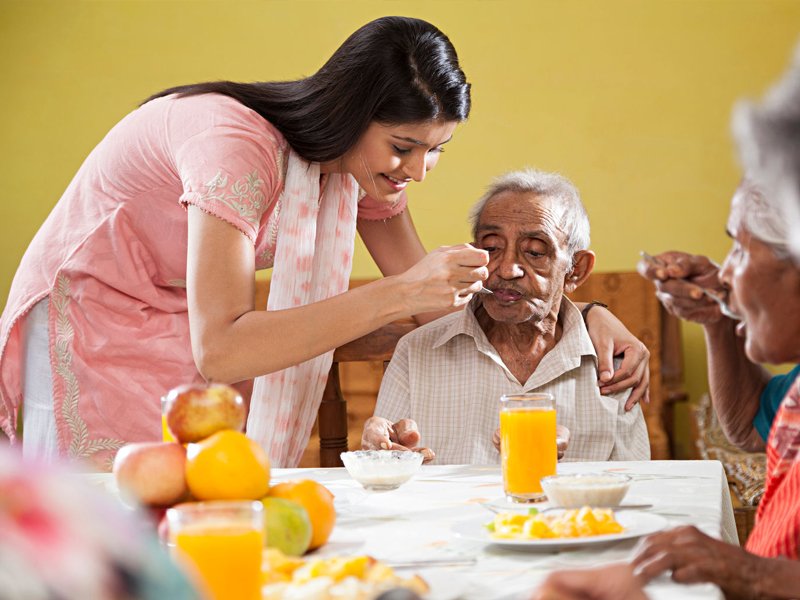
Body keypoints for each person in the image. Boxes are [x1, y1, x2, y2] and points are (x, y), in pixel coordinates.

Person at [0, 16, 649, 470]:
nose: (418, 171)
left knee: (202, 518)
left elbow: (439, 314)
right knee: (118, 531)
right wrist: (397, 294)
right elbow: (222, 348)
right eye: (404, 147)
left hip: (183, 321)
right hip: (92, 316)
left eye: (436, 151)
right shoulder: (235, 147)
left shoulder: (359, 173)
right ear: (351, 114)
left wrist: (585, 316)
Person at [361, 169, 650, 464]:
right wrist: (381, 452)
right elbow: (386, 467)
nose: (508, 269)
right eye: (492, 248)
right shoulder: (416, 351)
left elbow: (636, 482)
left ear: (576, 270)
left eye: (535, 252)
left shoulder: (612, 366)